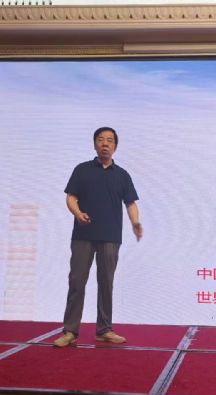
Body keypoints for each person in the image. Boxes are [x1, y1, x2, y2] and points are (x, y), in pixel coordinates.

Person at [54, 127, 142, 347]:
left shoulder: (122, 175)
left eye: (110, 140)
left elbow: (130, 203)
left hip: (111, 236)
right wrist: (77, 213)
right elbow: (71, 197)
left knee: (106, 283)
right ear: (95, 144)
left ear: (115, 146)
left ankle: (104, 330)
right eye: (101, 140)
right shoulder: (82, 170)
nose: (105, 144)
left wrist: (135, 223)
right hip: (83, 235)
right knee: (77, 282)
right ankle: (70, 331)